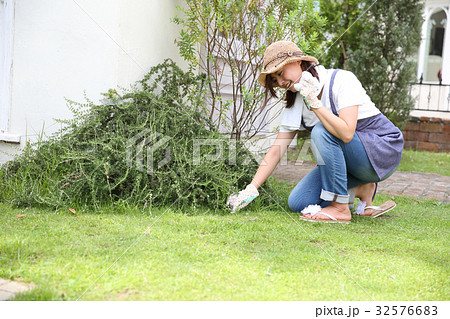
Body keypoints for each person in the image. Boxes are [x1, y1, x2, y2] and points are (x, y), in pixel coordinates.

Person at [227, 41, 403, 223]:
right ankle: (363, 189)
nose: (280, 82)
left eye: (280, 73)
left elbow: (347, 133)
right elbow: (276, 151)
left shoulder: (341, 80)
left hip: (382, 150)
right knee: (299, 201)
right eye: (274, 80)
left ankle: (340, 208)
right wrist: (250, 189)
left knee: (321, 130)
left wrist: (315, 104)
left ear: (297, 62)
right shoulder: (296, 102)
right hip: (352, 161)